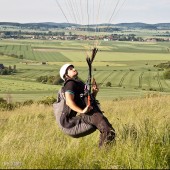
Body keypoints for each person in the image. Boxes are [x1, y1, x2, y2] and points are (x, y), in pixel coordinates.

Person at [54, 63, 115, 147]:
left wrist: (94, 93)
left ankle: (103, 153)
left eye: (73, 68)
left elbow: (84, 101)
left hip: (88, 113)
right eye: (70, 69)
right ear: (66, 75)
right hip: (69, 124)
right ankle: (103, 155)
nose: (74, 69)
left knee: (108, 131)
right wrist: (82, 111)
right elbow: (68, 101)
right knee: (108, 131)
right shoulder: (70, 83)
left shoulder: (78, 84)